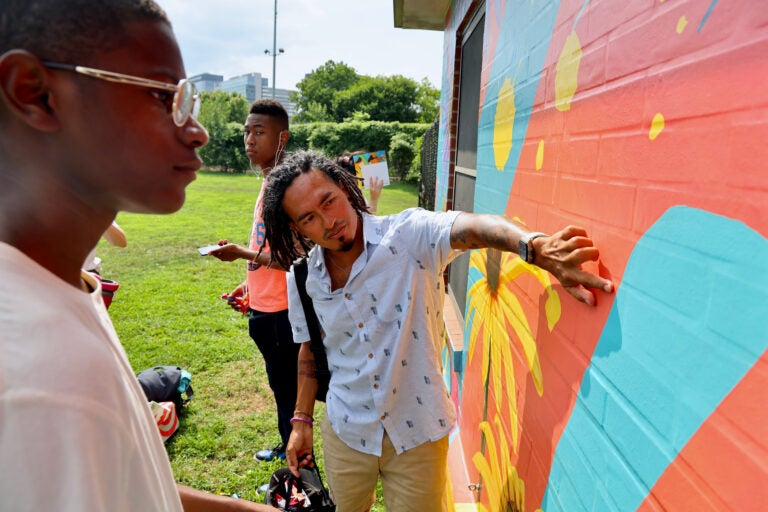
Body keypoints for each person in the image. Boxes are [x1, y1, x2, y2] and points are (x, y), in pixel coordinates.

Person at [0, 1, 278, 510]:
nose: (199, 131)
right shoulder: (34, 376)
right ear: (34, 93)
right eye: (162, 96)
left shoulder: (59, 287)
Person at [260, 150, 615, 511]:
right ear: (297, 228)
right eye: (309, 218)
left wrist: (534, 247)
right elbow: (308, 350)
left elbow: (472, 227)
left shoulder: (408, 237)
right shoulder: (304, 278)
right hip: (346, 431)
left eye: (329, 201)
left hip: (418, 432)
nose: (328, 221)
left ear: (343, 187)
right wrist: (301, 421)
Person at [206, 99, 299, 463]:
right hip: (264, 304)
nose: (249, 139)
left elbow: (294, 258)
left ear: (282, 138)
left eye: (259, 132)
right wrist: (249, 285)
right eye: (247, 131)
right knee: (281, 387)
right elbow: (268, 247)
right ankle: (287, 445)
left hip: (282, 312)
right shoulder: (268, 181)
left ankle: (295, 458)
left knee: (288, 389)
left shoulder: (286, 186)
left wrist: (241, 254)